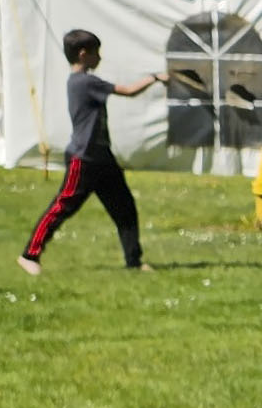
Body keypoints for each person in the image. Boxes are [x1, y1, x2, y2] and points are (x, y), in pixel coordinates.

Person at [19, 31, 163, 277]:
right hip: (83, 159)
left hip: (102, 157)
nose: (100, 57)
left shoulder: (80, 81)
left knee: (125, 208)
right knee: (62, 207)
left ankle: (134, 262)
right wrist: (156, 77)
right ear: (83, 54)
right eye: (97, 52)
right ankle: (28, 256)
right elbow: (128, 91)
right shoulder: (85, 82)